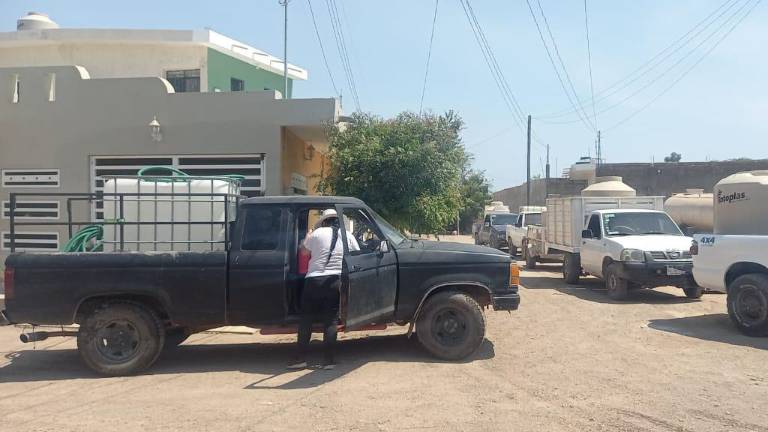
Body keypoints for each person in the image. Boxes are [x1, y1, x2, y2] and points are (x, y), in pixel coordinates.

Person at [289, 209, 359, 370]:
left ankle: (300, 359)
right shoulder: (347, 235)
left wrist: (307, 236)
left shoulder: (317, 233)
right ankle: (328, 361)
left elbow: (304, 251)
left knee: (306, 320)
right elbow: (356, 254)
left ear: (324, 221)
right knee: (331, 321)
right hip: (335, 281)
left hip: (313, 281)